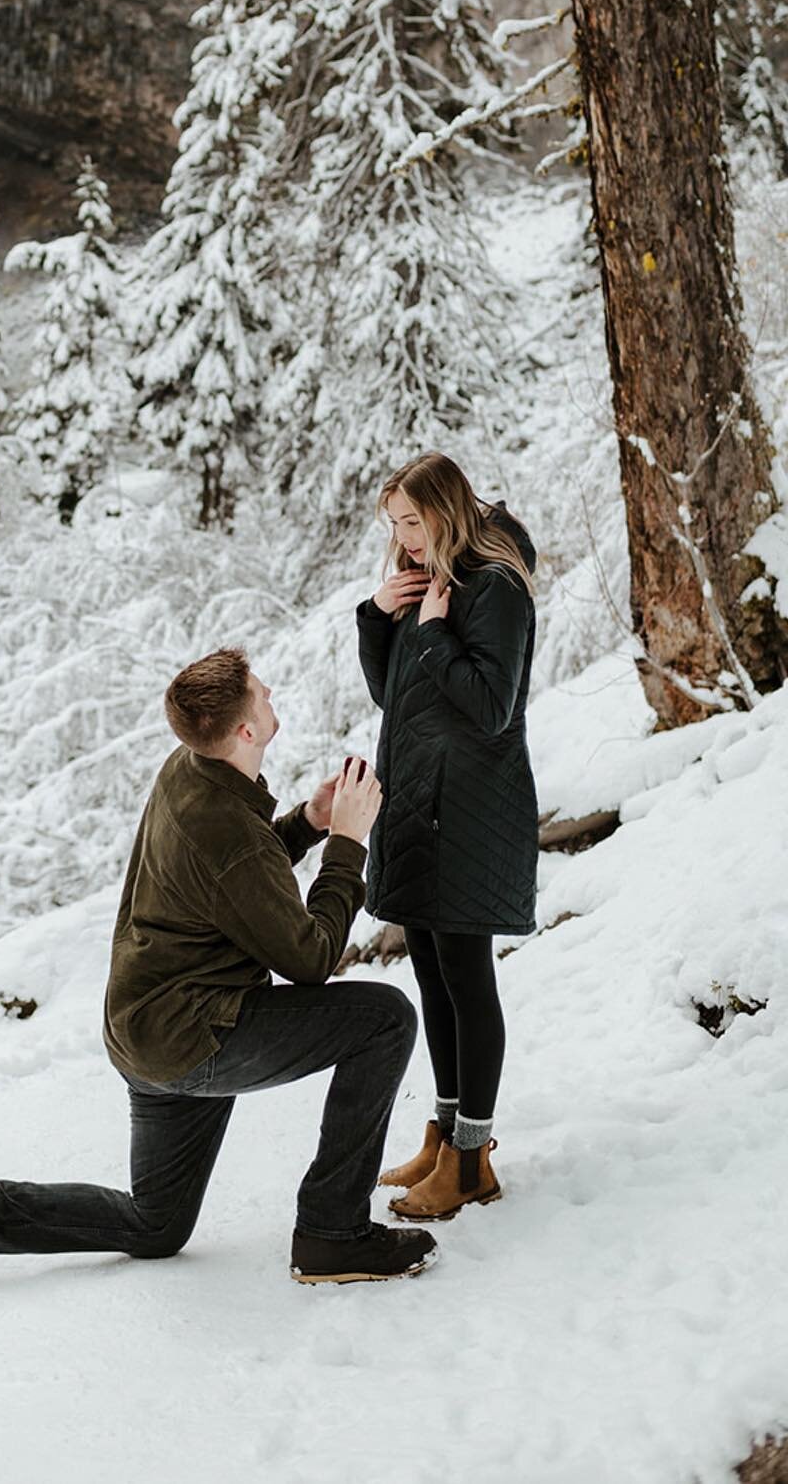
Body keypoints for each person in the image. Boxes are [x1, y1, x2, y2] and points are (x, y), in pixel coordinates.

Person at [0, 647, 438, 1306]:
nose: (271, 696)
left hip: (144, 1029)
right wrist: (350, 841)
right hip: (193, 1037)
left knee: (157, 1223)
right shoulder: (223, 827)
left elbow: (235, 880)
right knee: (385, 1018)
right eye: (261, 694)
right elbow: (310, 957)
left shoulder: (189, 769)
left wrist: (309, 822)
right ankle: (332, 1231)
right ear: (244, 730)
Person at [356, 452, 538, 1221]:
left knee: (467, 977)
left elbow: (491, 704)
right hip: (421, 803)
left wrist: (432, 635)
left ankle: (472, 1159)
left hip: (470, 811)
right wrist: (380, 615)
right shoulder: (429, 583)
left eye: (410, 521)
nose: (402, 538)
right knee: (430, 969)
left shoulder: (493, 587)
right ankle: (445, 1132)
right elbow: (391, 696)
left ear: (444, 510)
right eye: (393, 525)